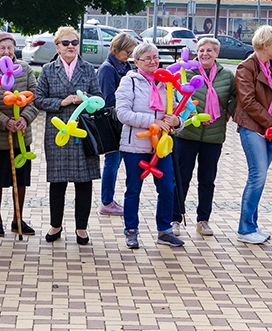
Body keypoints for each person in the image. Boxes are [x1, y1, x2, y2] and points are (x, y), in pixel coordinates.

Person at [34, 26, 101, 245]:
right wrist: (61, 102)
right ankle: (56, 225)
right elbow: (38, 99)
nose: (71, 46)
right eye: (66, 43)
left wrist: (86, 100)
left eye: (74, 42)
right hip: (59, 130)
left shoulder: (89, 68)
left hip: (83, 130)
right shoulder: (48, 70)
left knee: (84, 182)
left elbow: (99, 97)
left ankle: (81, 228)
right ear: (57, 47)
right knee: (58, 180)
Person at [114, 43, 183, 249]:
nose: (153, 61)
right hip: (136, 145)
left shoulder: (167, 82)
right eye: (147, 58)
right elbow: (123, 113)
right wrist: (152, 123)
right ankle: (131, 230)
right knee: (134, 188)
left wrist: (177, 122)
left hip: (162, 146)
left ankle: (165, 230)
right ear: (136, 63)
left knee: (167, 188)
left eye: (156, 57)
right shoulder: (129, 82)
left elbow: (181, 112)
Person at [170, 37, 236, 237]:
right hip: (187, 133)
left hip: (213, 136)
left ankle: (203, 220)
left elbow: (234, 97)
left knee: (207, 180)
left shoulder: (226, 76)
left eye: (209, 50)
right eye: (201, 50)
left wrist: (228, 112)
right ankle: (175, 218)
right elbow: (174, 95)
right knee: (181, 178)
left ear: (216, 53)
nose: (204, 54)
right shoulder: (187, 72)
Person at [232, 24, 272, 245]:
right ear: (265, 45)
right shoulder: (246, 68)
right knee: (258, 176)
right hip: (253, 127)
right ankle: (245, 228)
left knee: (260, 176)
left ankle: (252, 225)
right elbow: (248, 102)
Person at [0, 31, 38, 236]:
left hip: (21, 136)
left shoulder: (24, 69)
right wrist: (5, 122)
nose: (6, 51)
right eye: (2, 48)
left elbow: (34, 97)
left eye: (9, 47)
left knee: (21, 179)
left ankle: (18, 218)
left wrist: (24, 119)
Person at [96, 32, 137, 216]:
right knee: (112, 162)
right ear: (118, 49)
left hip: (123, 123)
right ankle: (106, 201)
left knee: (116, 162)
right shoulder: (107, 68)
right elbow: (107, 99)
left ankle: (109, 199)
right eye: (128, 52)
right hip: (113, 123)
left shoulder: (123, 66)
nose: (130, 55)